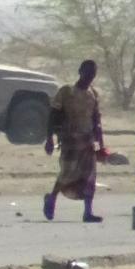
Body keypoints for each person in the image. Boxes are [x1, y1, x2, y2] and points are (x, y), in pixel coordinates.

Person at [44, 59, 107, 223]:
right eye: (87, 73)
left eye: (93, 74)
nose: (89, 77)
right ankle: (51, 198)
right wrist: (49, 138)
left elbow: (96, 120)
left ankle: (88, 212)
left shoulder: (93, 94)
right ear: (80, 72)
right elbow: (53, 115)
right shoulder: (66, 92)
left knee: (89, 176)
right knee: (67, 173)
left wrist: (101, 143)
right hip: (70, 140)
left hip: (87, 141)